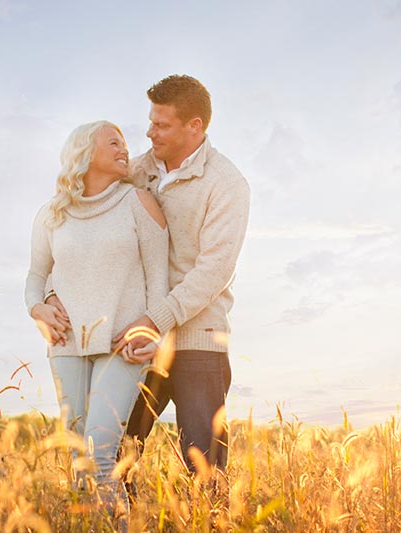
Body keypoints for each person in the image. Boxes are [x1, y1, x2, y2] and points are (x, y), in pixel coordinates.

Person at [108, 74, 251, 479]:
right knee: (116, 457)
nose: (150, 132)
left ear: (195, 126)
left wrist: (156, 320)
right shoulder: (137, 170)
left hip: (197, 341)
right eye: (150, 122)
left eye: (162, 125)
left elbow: (215, 270)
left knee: (204, 470)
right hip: (137, 338)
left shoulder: (226, 184)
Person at [24, 120, 169, 521]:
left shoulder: (138, 202)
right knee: (79, 465)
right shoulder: (52, 215)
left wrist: (156, 330)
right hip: (66, 346)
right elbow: (36, 277)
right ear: (85, 153)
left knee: (100, 456)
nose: (125, 149)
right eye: (114, 143)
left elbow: (160, 279)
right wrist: (37, 308)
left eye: (125, 143)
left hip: (124, 344)